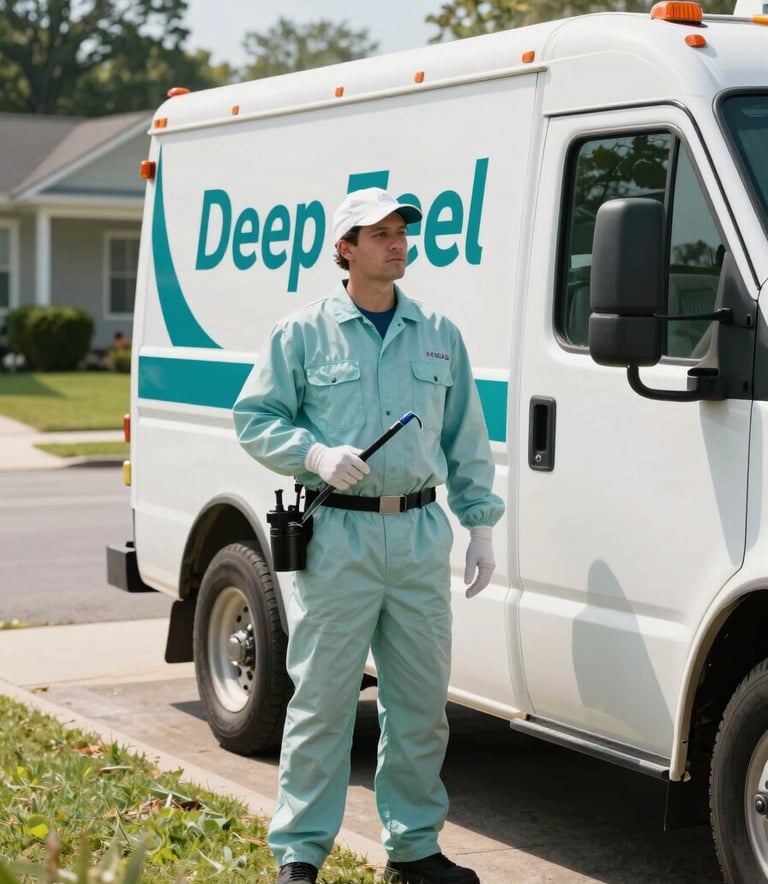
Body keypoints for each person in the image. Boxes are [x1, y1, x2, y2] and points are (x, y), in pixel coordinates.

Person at [233, 187, 505, 884]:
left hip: (417, 535)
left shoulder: (439, 334)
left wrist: (479, 525)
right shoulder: (302, 332)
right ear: (344, 250)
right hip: (340, 541)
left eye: (400, 231)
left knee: (419, 706)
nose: (396, 242)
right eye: (378, 233)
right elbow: (255, 418)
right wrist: (315, 455)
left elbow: (466, 434)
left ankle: (413, 851)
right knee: (322, 704)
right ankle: (299, 853)